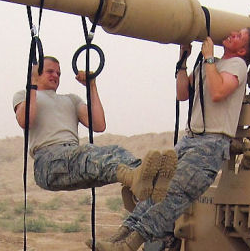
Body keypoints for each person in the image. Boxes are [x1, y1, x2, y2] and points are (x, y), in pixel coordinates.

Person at [89, 27, 250, 251]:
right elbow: (183, 93)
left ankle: (129, 247)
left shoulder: (237, 65)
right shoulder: (210, 65)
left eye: (239, 36)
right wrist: (183, 60)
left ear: (243, 50)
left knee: (173, 195)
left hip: (211, 143)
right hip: (191, 139)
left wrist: (209, 58)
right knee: (156, 189)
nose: (232, 33)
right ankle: (119, 237)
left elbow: (219, 92)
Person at [12, 56, 177, 201]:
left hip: (73, 159)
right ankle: (134, 178)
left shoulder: (71, 100)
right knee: (88, 154)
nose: (55, 75)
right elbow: (26, 120)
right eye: (50, 71)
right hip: (48, 162)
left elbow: (98, 124)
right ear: (37, 73)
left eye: (58, 73)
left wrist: (91, 85)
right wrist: (32, 85)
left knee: (115, 151)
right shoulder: (25, 95)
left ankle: (149, 181)